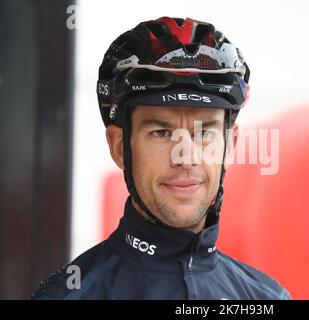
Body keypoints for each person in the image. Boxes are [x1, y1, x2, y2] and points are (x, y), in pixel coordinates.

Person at [32, 16, 290, 300]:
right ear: (120, 147)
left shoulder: (267, 298)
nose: (185, 157)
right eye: (161, 132)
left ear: (230, 147)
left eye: (204, 133)